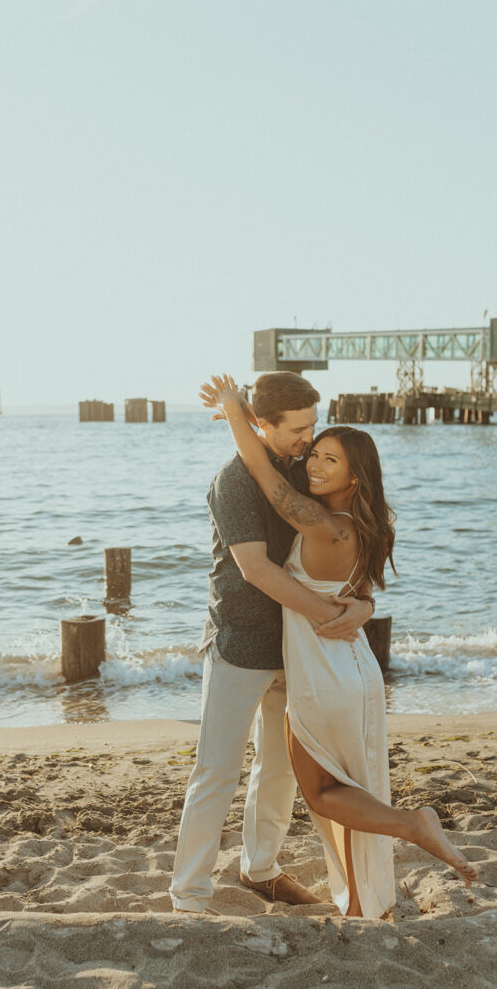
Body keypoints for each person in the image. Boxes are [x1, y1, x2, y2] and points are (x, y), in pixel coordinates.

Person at [198, 373, 479, 918]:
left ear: (355, 476)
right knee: (347, 788)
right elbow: (363, 591)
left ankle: (411, 826)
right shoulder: (357, 524)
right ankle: (361, 901)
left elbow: (262, 473)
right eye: (315, 453)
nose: (314, 464)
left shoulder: (324, 524)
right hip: (350, 668)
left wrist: (239, 413)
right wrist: (361, 609)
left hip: (327, 674)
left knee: (325, 794)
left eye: (329, 460)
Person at [169, 371, 375, 916]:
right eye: (298, 429)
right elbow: (255, 568)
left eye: (313, 425)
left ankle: (260, 868)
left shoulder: (304, 473)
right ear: (264, 424)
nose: (309, 440)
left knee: (279, 768)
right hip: (240, 641)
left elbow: (343, 536)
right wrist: (333, 616)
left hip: (296, 647)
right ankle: (188, 895)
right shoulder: (232, 481)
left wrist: (363, 604)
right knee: (217, 770)